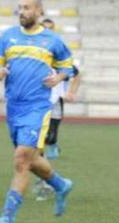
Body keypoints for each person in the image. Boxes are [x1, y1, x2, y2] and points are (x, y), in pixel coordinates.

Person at [0, 0, 74, 223]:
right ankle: (61, 185)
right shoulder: (7, 37)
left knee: (21, 158)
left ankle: (7, 216)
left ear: (39, 11)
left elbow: (69, 67)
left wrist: (60, 78)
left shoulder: (53, 41)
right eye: (20, 8)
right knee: (31, 160)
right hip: (14, 108)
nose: (22, 12)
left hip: (38, 107)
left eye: (27, 7)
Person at [33, 17, 82, 201]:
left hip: (54, 103)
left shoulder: (59, 55)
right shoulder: (33, 53)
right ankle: (47, 181)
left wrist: (71, 92)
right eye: (44, 28)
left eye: (50, 29)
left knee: (48, 139)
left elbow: (76, 75)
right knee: (37, 143)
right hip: (35, 104)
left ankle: (46, 183)